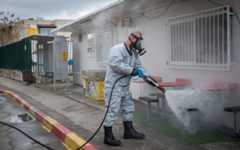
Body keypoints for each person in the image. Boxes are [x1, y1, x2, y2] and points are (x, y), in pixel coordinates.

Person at [103, 31, 146, 146]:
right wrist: (132, 70)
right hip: (113, 85)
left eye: (140, 40)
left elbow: (138, 65)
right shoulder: (117, 49)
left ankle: (129, 131)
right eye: (138, 40)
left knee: (128, 107)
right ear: (131, 38)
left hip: (125, 85)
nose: (139, 43)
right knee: (112, 110)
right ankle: (108, 136)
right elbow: (115, 64)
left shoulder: (134, 53)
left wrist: (140, 71)